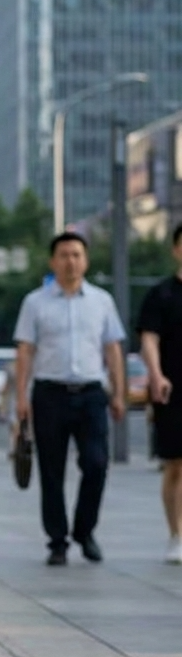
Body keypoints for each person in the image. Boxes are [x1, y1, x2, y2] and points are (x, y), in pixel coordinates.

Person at [14, 232, 127, 566]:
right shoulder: (35, 302)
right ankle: (57, 540)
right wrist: (21, 396)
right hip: (49, 393)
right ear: (53, 261)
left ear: (86, 260)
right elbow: (25, 351)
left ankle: (85, 530)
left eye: (76, 255)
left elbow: (113, 349)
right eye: (63, 255)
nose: (70, 261)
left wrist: (119, 392)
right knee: (51, 470)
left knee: (96, 463)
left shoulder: (102, 301)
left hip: (91, 393)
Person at [138, 223, 182, 563]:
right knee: (176, 466)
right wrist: (156, 375)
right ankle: (176, 535)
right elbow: (149, 339)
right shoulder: (162, 295)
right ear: (175, 250)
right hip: (173, 389)